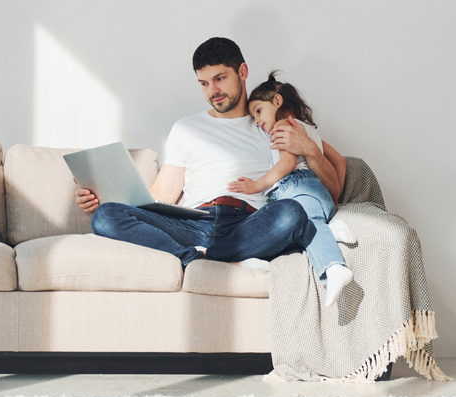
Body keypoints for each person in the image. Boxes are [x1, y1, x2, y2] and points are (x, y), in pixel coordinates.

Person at [74, 38, 345, 307]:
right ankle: (193, 258)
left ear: (243, 72)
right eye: (204, 83)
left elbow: (332, 188)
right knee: (105, 216)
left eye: (220, 78)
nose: (212, 90)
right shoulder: (185, 128)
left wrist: (310, 149)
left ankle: (211, 257)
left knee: (291, 213)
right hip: (193, 224)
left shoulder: (269, 121)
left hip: (248, 224)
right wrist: (106, 195)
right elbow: (161, 195)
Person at [227, 71, 354, 306]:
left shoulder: (283, 126)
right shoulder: (308, 128)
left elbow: (287, 164)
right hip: (317, 193)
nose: (256, 121)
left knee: (297, 223)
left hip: (296, 187)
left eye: (258, 111)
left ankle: (334, 268)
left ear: (277, 101)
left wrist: (256, 185)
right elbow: (340, 161)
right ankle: (331, 227)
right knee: (297, 229)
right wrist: (333, 199)